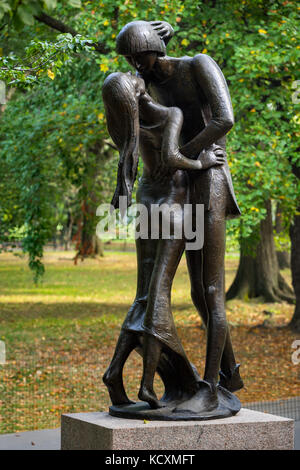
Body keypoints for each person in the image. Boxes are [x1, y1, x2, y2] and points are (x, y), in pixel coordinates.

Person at [114, 20, 243, 413]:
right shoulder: (148, 83)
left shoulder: (198, 65)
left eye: (142, 55)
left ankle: (211, 386)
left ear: (156, 48)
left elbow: (225, 119)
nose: (138, 65)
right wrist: (178, 163)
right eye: (132, 59)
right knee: (194, 291)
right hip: (183, 180)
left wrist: (188, 157)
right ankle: (230, 372)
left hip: (210, 176)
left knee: (210, 287)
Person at [102, 71, 226, 409]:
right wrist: (201, 161)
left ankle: (114, 373)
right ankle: (146, 384)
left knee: (144, 294)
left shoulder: (127, 126)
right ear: (139, 91)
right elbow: (172, 159)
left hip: (146, 202)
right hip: (172, 205)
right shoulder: (171, 114)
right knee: (159, 293)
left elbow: (140, 165)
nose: (134, 71)